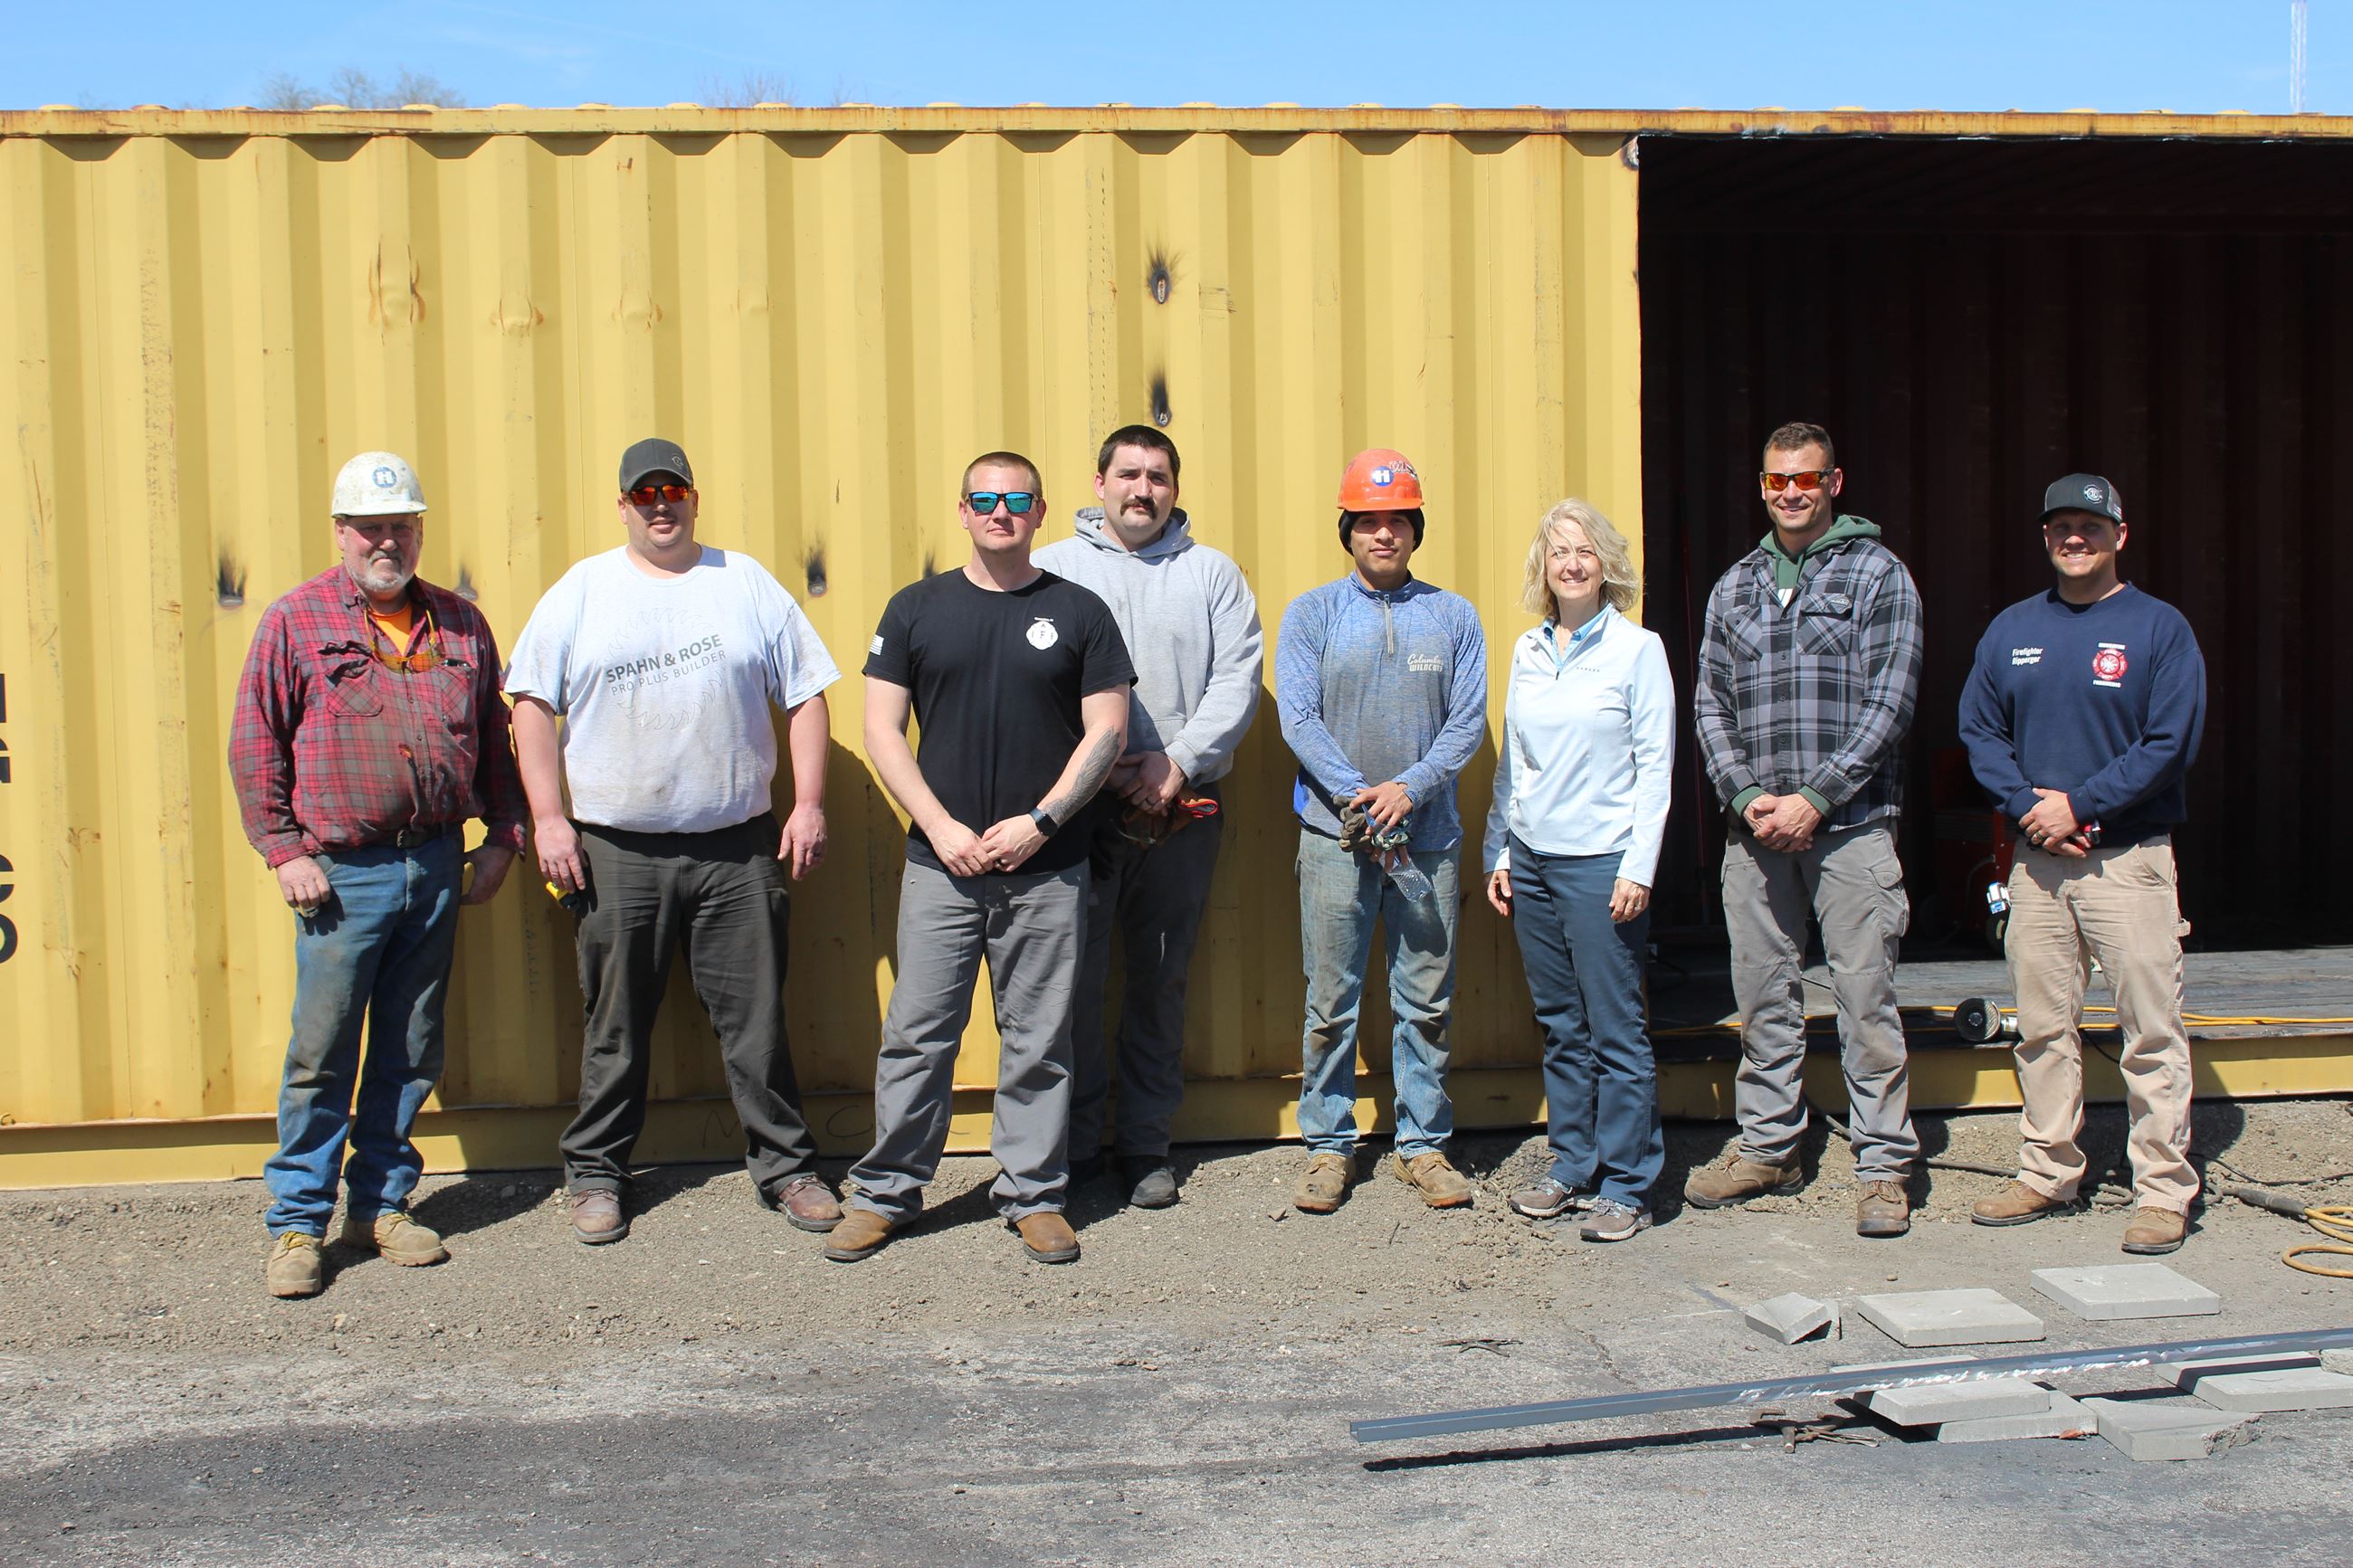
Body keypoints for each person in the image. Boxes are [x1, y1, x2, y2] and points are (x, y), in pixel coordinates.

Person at [505, 437, 842, 1246]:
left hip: (737, 845)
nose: (661, 504)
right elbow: (528, 702)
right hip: (616, 850)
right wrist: (550, 819)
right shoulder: (582, 590)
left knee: (756, 1021)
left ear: (695, 496)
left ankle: (788, 1168)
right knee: (615, 1024)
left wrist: (810, 804)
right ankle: (595, 1175)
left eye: (674, 489)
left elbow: (805, 695)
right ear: (623, 504)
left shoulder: (745, 583)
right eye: (643, 493)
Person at [229, 451, 526, 1299]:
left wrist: (502, 838)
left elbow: (495, 740)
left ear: (420, 531)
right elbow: (255, 744)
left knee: (410, 1044)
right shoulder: (296, 621)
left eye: (400, 527)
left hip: (433, 863)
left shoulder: (462, 625)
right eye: (370, 528)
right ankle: (295, 1223)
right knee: (322, 1050)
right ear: (342, 533)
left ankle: (381, 1205)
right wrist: (284, 850)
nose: (385, 542)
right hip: (339, 874)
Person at [828, 451, 1135, 1265]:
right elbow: (880, 731)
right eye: (986, 499)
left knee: (1039, 1037)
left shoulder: (1080, 610)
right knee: (919, 1032)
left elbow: (1109, 731)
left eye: (1018, 500)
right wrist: (940, 826)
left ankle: (1033, 1193)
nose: (1002, 511)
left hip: (1049, 865)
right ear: (962, 510)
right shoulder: (916, 609)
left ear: (1040, 513)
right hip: (943, 867)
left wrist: (1041, 820)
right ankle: (886, 1191)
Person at [1958, 473, 2207, 1255]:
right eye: (2062, 526)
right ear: (2045, 537)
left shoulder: (2160, 629)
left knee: (2151, 1031)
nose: (2076, 538)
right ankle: (2047, 1171)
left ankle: (2163, 1191)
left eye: (2091, 526)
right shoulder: (2010, 630)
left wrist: (2083, 805)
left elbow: (2170, 745)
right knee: (2041, 1027)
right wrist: (2034, 806)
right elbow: (1978, 730)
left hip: (2128, 862)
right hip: (2036, 867)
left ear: (2119, 536)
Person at [1688, 421, 1925, 1238]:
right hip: (1754, 834)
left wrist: (1816, 797)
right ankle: (1768, 1145)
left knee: (1866, 997)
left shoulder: (1879, 576)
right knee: (1763, 996)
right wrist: (1749, 795)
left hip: (1852, 827)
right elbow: (1709, 703)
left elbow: (1889, 703)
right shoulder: (1737, 585)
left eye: (1806, 478)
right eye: (1777, 480)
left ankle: (1885, 1164)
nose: (1791, 491)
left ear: (1835, 481)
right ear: (1762, 487)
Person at [1033, 425, 1262, 1209]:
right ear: (1097, 482)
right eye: (1127, 474)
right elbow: (1032, 687)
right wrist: (1093, 774)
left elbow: (1237, 678)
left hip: (1182, 810)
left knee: (1160, 981)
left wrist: (1177, 760)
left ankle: (1144, 1146)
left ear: (1174, 487)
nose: (1142, 489)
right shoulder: (1050, 571)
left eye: (1157, 476)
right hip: (1077, 816)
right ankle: (1070, 1146)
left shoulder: (1213, 575)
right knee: (1072, 986)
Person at [1276, 449, 1487, 1214]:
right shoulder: (1313, 613)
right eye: (1368, 520)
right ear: (1349, 530)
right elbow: (1295, 714)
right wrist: (1356, 793)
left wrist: (1411, 787)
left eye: (1397, 519)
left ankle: (1422, 1146)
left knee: (1425, 1000)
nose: (1383, 533)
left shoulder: (1454, 616)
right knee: (1330, 1002)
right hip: (1334, 837)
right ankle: (1328, 1148)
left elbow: (1467, 723)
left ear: (1415, 528)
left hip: (1425, 839)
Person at [1483, 499, 1674, 1242]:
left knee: (1616, 1027)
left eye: (1585, 550)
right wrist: (1501, 850)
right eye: (1559, 550)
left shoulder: (1637, 650)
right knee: (1562, 1024)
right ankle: (1574, 1163)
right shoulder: (1530, 651)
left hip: (1602, 865)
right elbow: (1514, 763)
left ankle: (1628, 1183)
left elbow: (1655, 769)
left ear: (1607, 565)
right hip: (1532, 860)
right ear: (1544, 566)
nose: (1571, 562)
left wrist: (1639, 867)